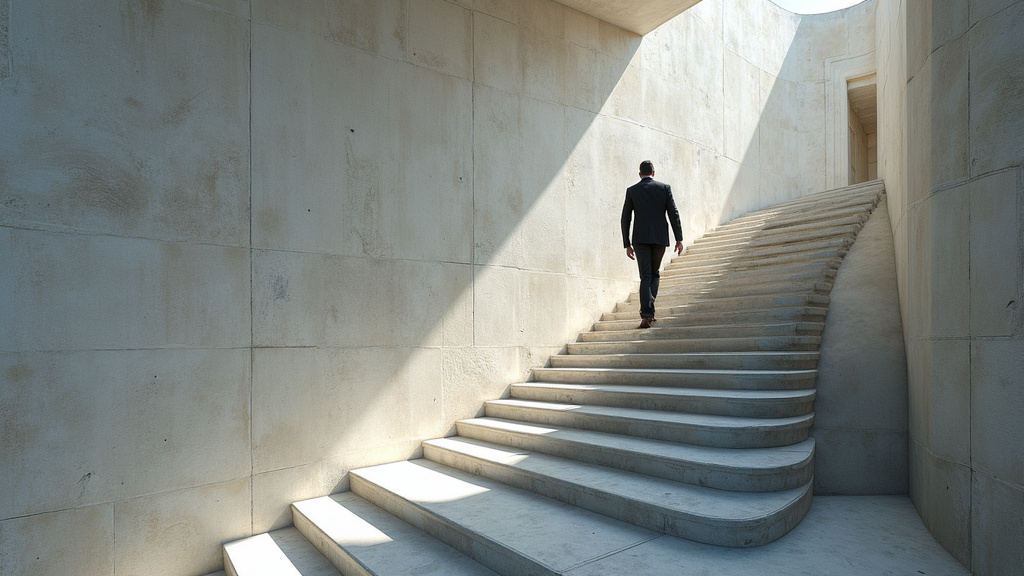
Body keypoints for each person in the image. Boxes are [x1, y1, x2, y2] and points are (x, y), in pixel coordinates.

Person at [620, 160, 684, 329]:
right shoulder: (664, 188)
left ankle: (647, 314)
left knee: (645, 276)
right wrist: (679, 239)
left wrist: (627, 243)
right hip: (659, 238)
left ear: (640, 174)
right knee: (654, 274)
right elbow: (673, 213)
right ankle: (649, 311)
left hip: (640, 239)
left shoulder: (632, 191)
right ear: (653, 173)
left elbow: (625, 218)